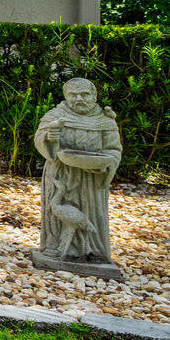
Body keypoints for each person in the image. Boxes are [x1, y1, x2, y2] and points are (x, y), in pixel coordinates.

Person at [34, 77, 122, 267]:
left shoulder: (104, 121)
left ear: (94, 96)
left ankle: (94, 251)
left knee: (92, 212)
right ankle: (56, 247)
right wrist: (50, 138)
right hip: (61, 173)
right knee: (58, 210)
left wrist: (106, 163)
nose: (78, 99)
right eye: (73, 95)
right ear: (66, 96)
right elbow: (41, 140)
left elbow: (114, 150)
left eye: (84, 94)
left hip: (93, 179)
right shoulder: (55, 116)